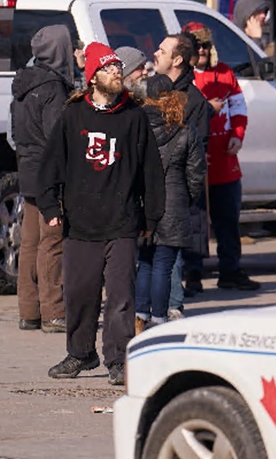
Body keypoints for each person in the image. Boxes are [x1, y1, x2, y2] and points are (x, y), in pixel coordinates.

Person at [37, 43, 165, 386]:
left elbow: (151, 171)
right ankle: (81, 353)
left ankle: (118, 358)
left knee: (121, 296)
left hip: (122, 222)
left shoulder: (134, 117)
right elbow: (49, 167)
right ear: (92, 77)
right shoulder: (72, 116)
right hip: (80, 223)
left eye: (118, 69)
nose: (116, 73)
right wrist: (50, 207)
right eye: (108, 69)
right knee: (79, 292)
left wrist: (151, 217)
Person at [184, 22, 259, 290]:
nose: (202, 50)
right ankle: (193, 272)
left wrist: (237, 134)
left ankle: (230, 269)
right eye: (197, 45)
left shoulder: (225, 73)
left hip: (225, 161)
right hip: (197, 161)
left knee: (227, 219)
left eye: (206, 45)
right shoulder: (185, 77)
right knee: (196, 220)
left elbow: (238, 106)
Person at [10, 24, 73, 334]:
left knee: (30, 243)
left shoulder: (23, 84)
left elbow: (14, 134)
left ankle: (29, 311)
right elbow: (57, 137)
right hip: (50, 175)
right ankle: (54, 312)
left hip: (28, 170)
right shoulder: (54, 88)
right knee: (53, 243)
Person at [135, 76, 206, 332]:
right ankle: (160, 318)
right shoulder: (185, 131)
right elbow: (196, 174)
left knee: (144, 262)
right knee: (164, 265)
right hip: (174, 203)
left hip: (144, 203)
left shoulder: (137, 127)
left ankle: (139, 315)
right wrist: (188, 198)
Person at [152, 32, 210, 296]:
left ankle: (171, 307)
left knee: (169, 259)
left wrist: (183, 192)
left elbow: (197, 154)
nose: (156, 53)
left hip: (174, 192)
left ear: (177, 60)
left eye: (162, 51)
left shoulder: (194, 100)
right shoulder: (150, 91)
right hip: (148, 188)